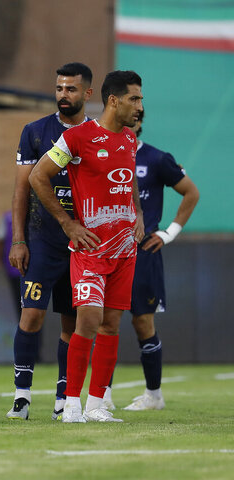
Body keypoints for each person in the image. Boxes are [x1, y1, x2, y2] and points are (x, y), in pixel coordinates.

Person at [29, 70, 145, 423]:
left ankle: (96, 406)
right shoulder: (78, 138)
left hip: (124, 249)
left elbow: (126, 182)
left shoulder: (129, 140)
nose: (140, 107)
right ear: (114, 100)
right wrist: (68, 223)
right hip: (91, 248)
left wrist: (137, 212)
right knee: (89, 318)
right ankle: (71, 404)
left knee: (112, 324)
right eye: (134, 99)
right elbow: (38, 175)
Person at [6, 63, 93, 421]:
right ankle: (21, 397)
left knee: (71, 324)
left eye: (71, 89)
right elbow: (22, 189)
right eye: (59, 88)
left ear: (87, 93)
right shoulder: (35, 132)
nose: (63, 95)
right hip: (42, 240)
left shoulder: (97, 135)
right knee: (32, 315)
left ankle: (63, 397)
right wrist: (18, 238)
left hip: (82, 243)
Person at [113, 109, 199, 411]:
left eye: (134, 118)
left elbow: (190, 193)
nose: (129, 123)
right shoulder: (102, 154)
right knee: (101, 321)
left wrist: (168, 233)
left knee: (141, 321)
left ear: (140, 123)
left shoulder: (157, 158)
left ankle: (154, 395)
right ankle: (102, 396)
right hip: (107, 249)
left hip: (142, 252)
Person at [0, 211, 22, 318]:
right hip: (24, 267)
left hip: (13, 266)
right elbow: (0, 240)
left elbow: (0, 240)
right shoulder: (7, 218)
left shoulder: (7, 218)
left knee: (21, 303)